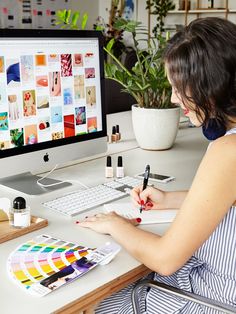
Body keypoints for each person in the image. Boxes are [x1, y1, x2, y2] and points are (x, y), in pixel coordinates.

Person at [80, 17, 236, 313]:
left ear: (211, 85)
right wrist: (169, 198)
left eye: (179, 88)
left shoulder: (228, 150)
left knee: (91, 303)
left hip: (209, 301)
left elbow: (165, 260)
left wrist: (115, 224)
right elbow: (225, 198)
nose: (175, 99)